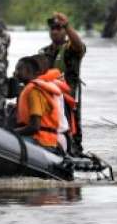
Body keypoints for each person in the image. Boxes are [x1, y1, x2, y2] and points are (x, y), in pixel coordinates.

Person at [35, 12, 86, 152]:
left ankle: (73, 150)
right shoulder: (43, 52)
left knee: (70, 129)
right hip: (47, 100)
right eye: (53, 28)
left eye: (59, 28)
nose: (55, 31)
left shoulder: (71, 49)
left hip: (67, 101)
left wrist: (67, 26)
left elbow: (79, 45)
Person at [12, 56, 73, 152]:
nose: (15, 73)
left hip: (45, 140)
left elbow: (34, 126)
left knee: (9, 142)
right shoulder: (43, 86)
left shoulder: (35, 91)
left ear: (33, 72)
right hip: (52, 137)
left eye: (19, 69)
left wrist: (10, 132)